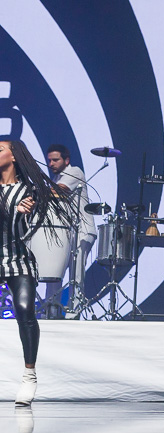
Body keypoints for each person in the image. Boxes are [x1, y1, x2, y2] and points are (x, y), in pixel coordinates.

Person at [0, 139, 75, 405]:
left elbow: (22, 231)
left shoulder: (27, 190)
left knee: (24, 311)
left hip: (18, 259)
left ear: (14, 157)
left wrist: (19, 213)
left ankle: (29, 375)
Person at [44, 144, 97, 319]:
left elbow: (59, 191)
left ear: (66, 160)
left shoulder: (74, 172)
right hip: (65, 232)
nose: (51, 163)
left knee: (76, 273)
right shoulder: (57, 176)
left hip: (81, 230)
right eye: (49, 160)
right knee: (54, 271)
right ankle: (50, 311)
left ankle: (74, 314)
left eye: (55, 160)